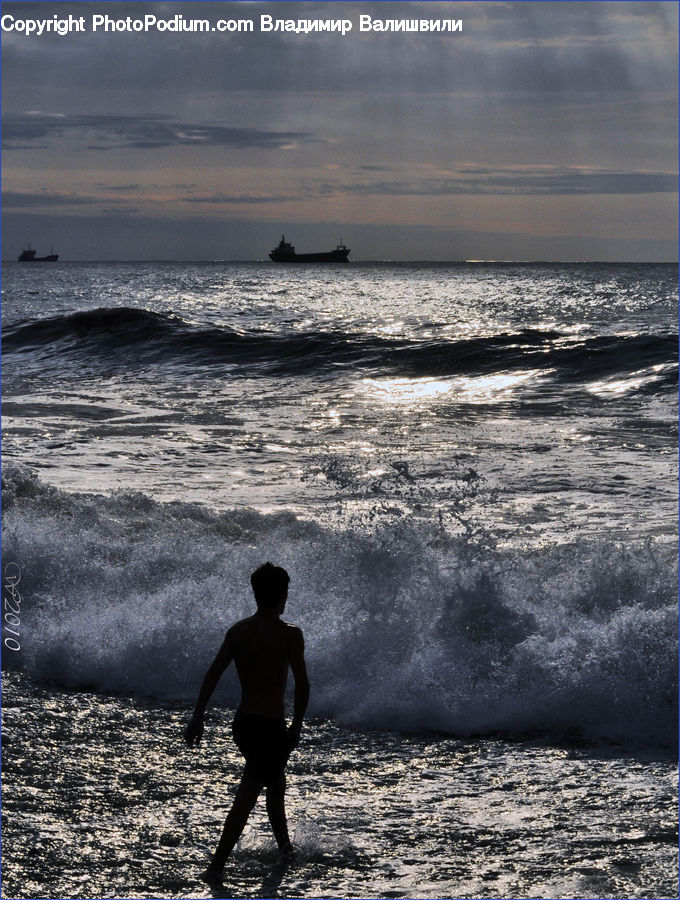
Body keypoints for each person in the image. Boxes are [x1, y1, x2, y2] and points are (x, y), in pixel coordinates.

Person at [184, 562, 310, 883]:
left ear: (255, 594)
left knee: (275, 783)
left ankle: (285, 851)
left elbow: (213, 674)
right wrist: (296, 726)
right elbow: (303, 684)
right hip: (270, 728)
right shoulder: (290, 635)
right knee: (251, 790)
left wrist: (198, 716)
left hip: (244, 724)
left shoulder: (239, 631)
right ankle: (216, 866)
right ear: (282, 595)